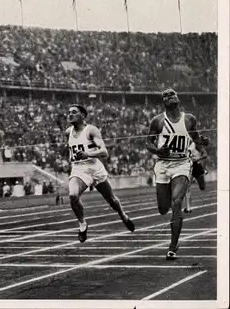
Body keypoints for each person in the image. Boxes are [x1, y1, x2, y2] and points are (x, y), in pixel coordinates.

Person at [146, 89, 207, 260]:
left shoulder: (189, 119)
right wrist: (158, 150)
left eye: (172, 93)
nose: (170, 96)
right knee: (163, 208)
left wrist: (203, 146)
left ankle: (173, 246)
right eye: (166, 95)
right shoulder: (157, 121)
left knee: (177, 202)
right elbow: (148, 142)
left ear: (178, 98)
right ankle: (173, 239)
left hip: (181, 164)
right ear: (163, 102)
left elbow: (196, 139)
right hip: (163, 165)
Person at [61, 104, 135, 243]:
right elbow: (70, 149)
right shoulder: (67, 132)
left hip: (94, 167)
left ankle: (123, 215)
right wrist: (67, 161)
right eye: (69, 112)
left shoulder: (91, 130)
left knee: (111, 200)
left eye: (74, 112)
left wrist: (87, 153)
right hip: (78, 168)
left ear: (83, 115)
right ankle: (82, 224)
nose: (70, 114)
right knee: (73, 195)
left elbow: (104, 152)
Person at [183, 136, 210, 213]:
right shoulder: (194, 145)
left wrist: (197, 160)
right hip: (191, 166)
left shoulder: (198, 146)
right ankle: (188, 208)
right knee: (187, 187)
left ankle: (202, 172)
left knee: (202, 187)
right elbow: (205, 155)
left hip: (195, 166)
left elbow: (205, 155)